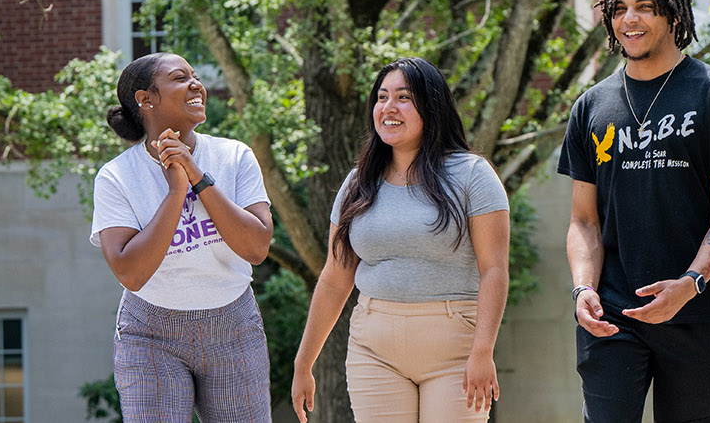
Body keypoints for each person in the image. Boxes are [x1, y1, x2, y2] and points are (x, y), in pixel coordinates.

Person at [557, 0, 710, 422]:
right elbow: (584, 221)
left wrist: (689, 284)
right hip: (612, 315)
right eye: (619, 9)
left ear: (673, 15)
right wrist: (582, 289)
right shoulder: (591, 107)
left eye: (645, 7)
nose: (629, 19)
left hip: (698, 310)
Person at [290, 57, 511, 423]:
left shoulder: (472, 175)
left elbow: (494, 270)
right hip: (373, 349)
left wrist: (483, 351)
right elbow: (335, 276)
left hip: (454, 347)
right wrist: (304, 362)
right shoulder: (357, 183)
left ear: (431, 106)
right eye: (381, 97)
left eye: (403, 97)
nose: (388, 108)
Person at [90, 52, 276, 422]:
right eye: (180, 78)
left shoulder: (234, 156)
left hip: (234, 326)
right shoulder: (116, 177)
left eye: (195, 76)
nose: (196, 84)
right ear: (146, 100)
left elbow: (256, 248)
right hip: (150, 334)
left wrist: (197, 176)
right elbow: (131, 273)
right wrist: (176, 192)